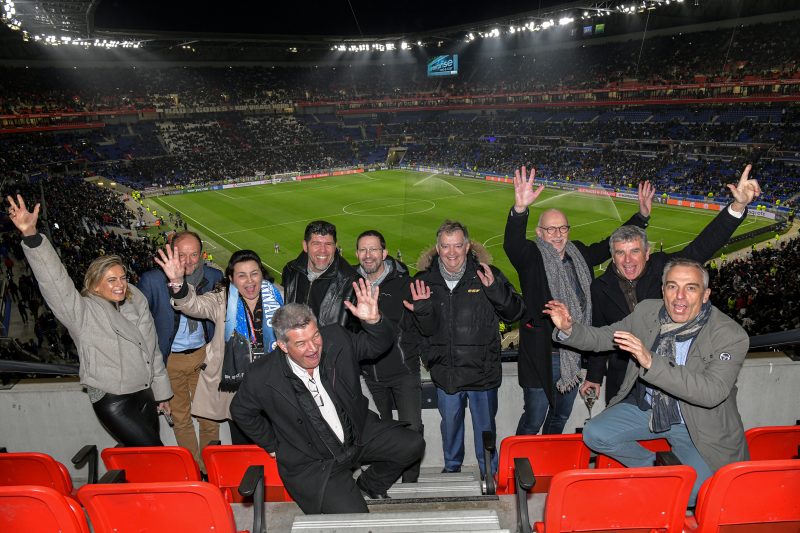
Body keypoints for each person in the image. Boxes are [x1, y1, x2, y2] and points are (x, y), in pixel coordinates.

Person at [544, 258, 750, 506]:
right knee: (594, 433)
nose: (679, 297)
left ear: (705, 295)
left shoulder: (730, 334)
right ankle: (655, 472)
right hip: (649, 408)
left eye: (691, 288)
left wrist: (651, 361)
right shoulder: (647, 311)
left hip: (697, 423)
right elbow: (605, 337)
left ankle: (668, 480)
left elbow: (711, 393)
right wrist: (570, 329)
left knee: (695, 493)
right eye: (672, 286)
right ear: (662, 290)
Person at [230, 296, 426, 514]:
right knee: (356, 520)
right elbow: (241, 411)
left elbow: (377, 345)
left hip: (358, 435)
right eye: (301, 343)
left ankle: (370, 484)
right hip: (316, 463)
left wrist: (374, 322)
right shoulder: (261, 375)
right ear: (283, 346)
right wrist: (272, 445)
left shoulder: (337, 338)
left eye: (315, 336)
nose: (313, 348)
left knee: (413, 444)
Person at [585, 164, 761, 404]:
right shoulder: (600, 288)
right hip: (623, 381)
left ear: (647, 253)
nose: (628, 260)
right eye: (620, 253)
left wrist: (738, 206)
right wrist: (594, 377)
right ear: (612, 256)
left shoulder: (664, 267)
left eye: (635, 251)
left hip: (670, 373)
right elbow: (599, 333)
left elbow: (701, 247)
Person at [7, 194, 172, 446]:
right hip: (114, 400)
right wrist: (31, 235)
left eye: (122, 277)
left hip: (145, 393)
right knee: (158, 456)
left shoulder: (136, 302)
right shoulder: (81, 312)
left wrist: (162, 394)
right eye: (111, 280)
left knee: (144, 459)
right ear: (94, 286)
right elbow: (55, 283)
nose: (120, 285)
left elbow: (152, 351)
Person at [503, 166, 652, 436]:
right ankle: (517, 465)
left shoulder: (579, 253)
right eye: (551, 229)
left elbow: (611, 243)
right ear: (539, 233)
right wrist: (519, 209)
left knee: (560, 416)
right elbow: (512, 245)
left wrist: (640, 217)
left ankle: (547, 460)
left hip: (573, 351)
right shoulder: (531, 257)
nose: (558, 234)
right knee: (534, 417)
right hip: (542, 354)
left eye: (563, 228)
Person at [408, 220, 524, 477]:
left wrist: (495, 290)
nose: (452, 252)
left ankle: (489, 474)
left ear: (467, 246)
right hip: (446, 373)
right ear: (438, 248)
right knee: (449, 427)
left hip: (482, 373)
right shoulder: (424, 281)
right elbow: (418, 330)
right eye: (446, 246)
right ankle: (452, 469)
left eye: (458, 245)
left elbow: (516, 311)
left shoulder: (487, 274)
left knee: (485, 429)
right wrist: (430, 356)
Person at [155, 246, 283, 444]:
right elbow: (192, 305)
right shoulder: (221, 300)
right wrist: (178, 282)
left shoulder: (278, 297)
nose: (249, 281)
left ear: (262, 275)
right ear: (231, 279)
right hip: (239, 389)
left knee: (279, 442)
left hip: (274, 385)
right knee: (243, 444)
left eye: (254, 274)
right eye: (242, 275)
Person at [138, 231, 223, 469]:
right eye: (181, 254)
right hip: (170, 361)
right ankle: (194, 470)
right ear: (170, 252)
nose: (188, 261)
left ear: (201, 254)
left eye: (194, 254)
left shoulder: (214, 276)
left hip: (202, 357)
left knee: (209, 416)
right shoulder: (152, 281)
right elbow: (140, 326)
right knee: (181, 418)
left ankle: (211, 469)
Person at [354, 230, 423, 483]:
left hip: (403, 371)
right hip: (369, 374)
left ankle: (410, 482)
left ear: (384, 253)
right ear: (357, 254)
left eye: (373, 249)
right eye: (363, 249)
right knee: (379, 434)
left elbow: (421, 325)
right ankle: (385, 480)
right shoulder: (350, 284)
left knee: (412, 429)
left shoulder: (404, 283)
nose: (368, 255)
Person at [281, 220, 359, 328]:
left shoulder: (352, 282)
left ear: (335, 246)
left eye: (328, 244)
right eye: (316, 244)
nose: (323, 250)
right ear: (305, 246)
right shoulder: (291, 271)